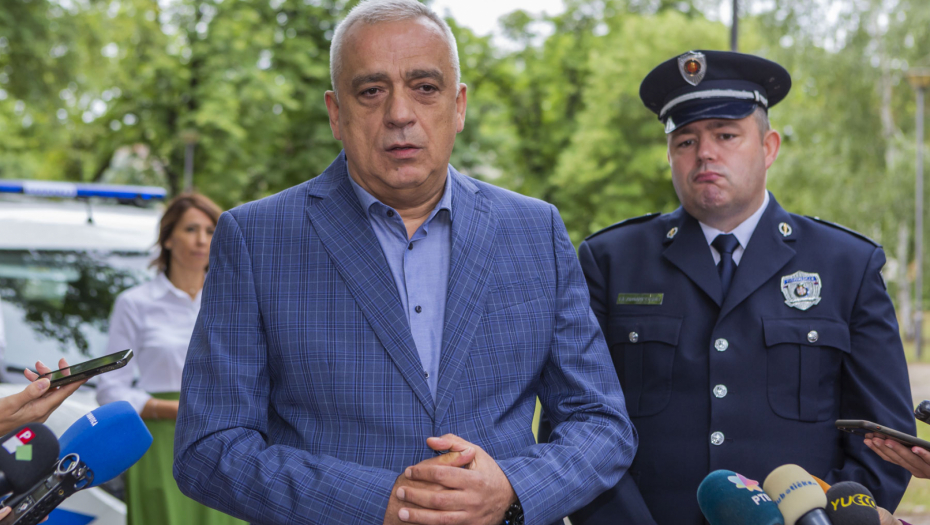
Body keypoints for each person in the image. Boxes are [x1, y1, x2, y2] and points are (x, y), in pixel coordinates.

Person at [173, 1, 635, 524]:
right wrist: (381, 503)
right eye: (371, 91)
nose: (399, 113)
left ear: (458, 106)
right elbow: (208, 449)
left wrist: (512, 488)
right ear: (335, 113)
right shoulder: (256, 238)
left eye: (425, 87)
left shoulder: (535, 230)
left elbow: (601, 423)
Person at [573, 50, 915, 525]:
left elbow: (884, 436)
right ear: (670, 155)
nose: (704, 153)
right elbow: (578, 421)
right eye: (685, 140)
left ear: (769, 147)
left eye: (726, 135)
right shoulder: (612, 261)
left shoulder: (846, 264)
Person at [95, 193, 243, 525]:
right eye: (191, 229)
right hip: (161, 441)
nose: (202, 240)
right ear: (167, 238)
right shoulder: (135, 303)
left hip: (228, 438)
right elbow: (109, 389)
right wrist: (169, 409)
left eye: (210, 230)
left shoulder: (237, 299)